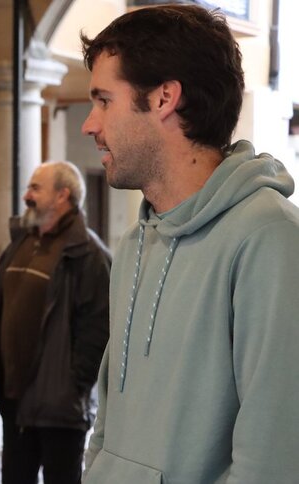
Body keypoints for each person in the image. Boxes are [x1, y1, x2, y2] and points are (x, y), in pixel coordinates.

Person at [80, 5, 299, 483]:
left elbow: (275, 458)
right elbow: (108, 421)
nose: (89, 124)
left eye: (104, 100)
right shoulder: (135, 243)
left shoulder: (270, 239)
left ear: (164, 98)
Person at [0, 161, 111, 484]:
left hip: (59, 407)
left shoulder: (89, 255)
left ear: (63, 195)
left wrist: (72, 384)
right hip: (15, 402)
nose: (26, 196)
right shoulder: (21, 245)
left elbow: (100, 329)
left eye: (35, 188)